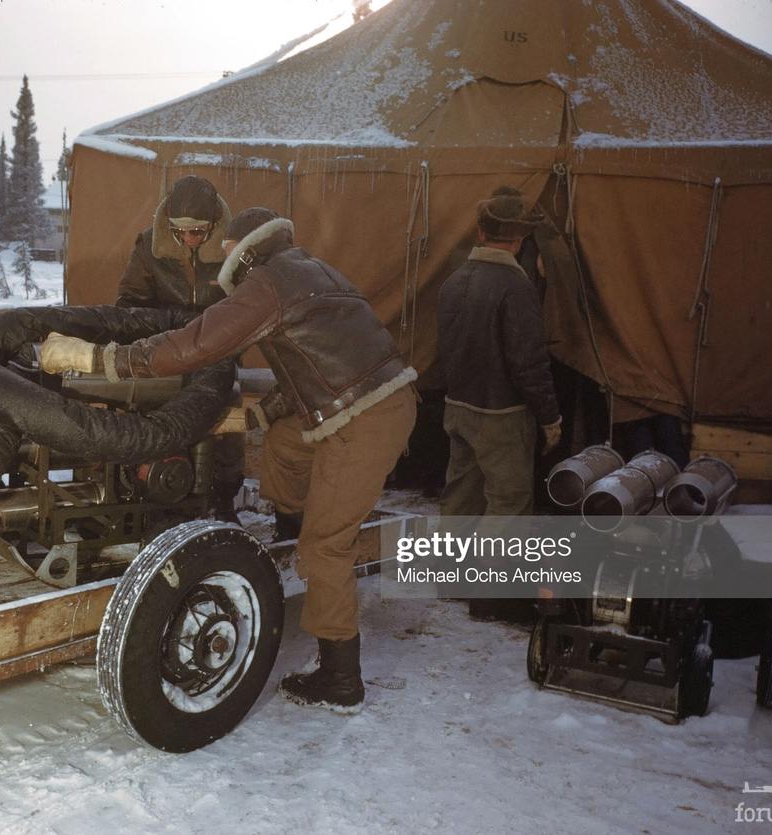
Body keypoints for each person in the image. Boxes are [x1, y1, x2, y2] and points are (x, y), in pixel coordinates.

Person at [39, 207, 418, 714]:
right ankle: (291, 520)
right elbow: (319, 363)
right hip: (373, 401)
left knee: (326, 547)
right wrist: (257, 419)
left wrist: (96, 359)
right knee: (286, 445)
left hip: (362, 420)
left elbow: (195, 345)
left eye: (224, 248)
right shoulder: (314, 268)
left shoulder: (267, 284)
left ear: (244, 251)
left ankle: (340, 679)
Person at [115, 175, 245, 524]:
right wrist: (169, 328)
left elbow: (250, 305)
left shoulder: (237, 250)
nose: (188, 239)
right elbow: (129, 305)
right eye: (180, 232)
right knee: (157, 425)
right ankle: (158, 499)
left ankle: (223, 503)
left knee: (223, 430)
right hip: (165, 355)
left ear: (215, 225)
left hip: (218, 356)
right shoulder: (147, 245)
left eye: (198, 232)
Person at [437, 186, 561, 517]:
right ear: (520, 238)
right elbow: (529, 365)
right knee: (509, 502)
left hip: (458, 409)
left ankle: (447, 567)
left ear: (480, 232)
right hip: (502, 417)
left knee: (460, 499)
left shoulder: (454, 282)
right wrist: (550, 418)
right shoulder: (517, 287)